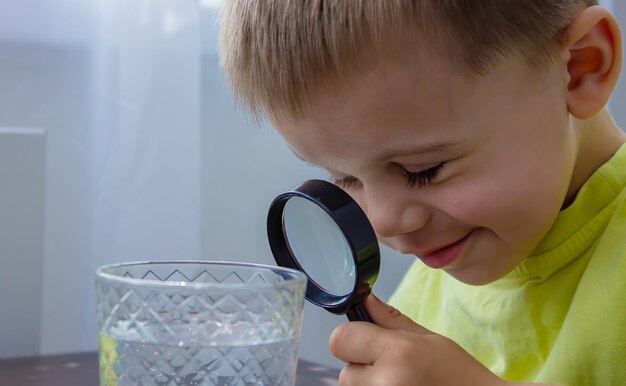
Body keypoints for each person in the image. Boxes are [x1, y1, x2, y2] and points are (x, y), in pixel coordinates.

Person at [218, 1, 626, 385]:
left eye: (423, 170)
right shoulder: (434, 281)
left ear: (580, 68)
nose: (382, 221)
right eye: (344, 180)